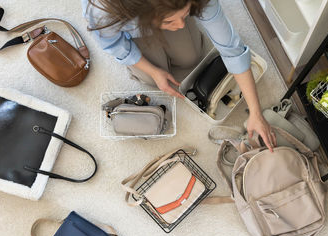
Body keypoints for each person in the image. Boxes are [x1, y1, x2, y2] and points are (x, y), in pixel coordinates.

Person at [81, 0, 277, 150]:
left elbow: (232, 49)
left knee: (190, 59)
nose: (181, 25)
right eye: (170, 21)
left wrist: (256, 112)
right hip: (133, 19)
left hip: (157, 12)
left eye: (185, 15)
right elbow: (114, 44)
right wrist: (153, 72)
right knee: (151, 79)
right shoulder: (102, 10)